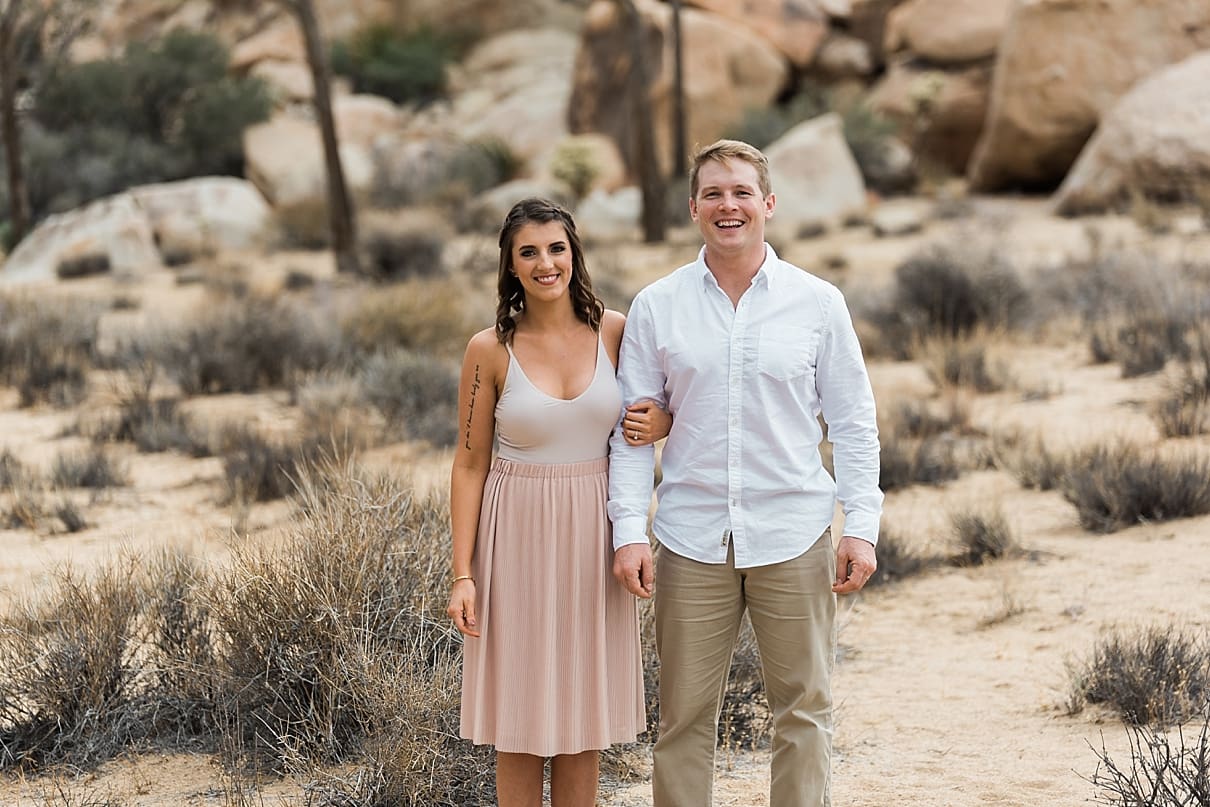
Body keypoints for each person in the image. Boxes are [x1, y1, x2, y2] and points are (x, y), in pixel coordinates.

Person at [608, 140, 884, 807]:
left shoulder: (817, 302)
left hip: (794, 531)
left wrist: (862, 526)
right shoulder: (657, 305)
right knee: (682, 717)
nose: (727, 206)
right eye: (712, 193)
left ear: (767, 203)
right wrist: (628, 530)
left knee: (804, 711)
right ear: (694, 207)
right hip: (689, 536)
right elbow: (632, 428)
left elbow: (853, 421)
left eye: (740, 192)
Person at [446, 197, 671, 807]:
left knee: (582, 720)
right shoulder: (488, 348)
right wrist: (462, 574)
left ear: (573, 254)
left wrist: (663, 422)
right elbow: (469, 464)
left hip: (594, 534)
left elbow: (661, 410)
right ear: (511, 267)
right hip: (513, 532)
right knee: (517, 721)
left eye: (556, 249)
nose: (546, 263)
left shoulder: (619, 331)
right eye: (529, 253)